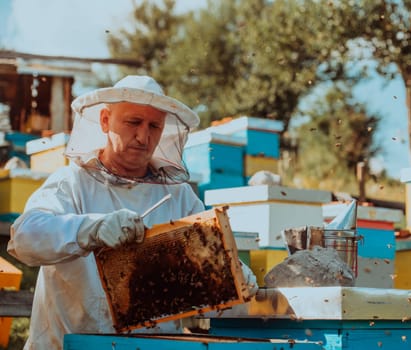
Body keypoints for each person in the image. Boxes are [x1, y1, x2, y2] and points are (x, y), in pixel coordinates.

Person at [7, 75, 257, 349]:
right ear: (105, 120)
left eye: (154, 126)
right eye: (133, 122)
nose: (143, 137)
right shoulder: (72, 182)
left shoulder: (179, 196)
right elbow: (24, 237)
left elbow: (211, 260)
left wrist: (233, 275)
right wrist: (91, 230)